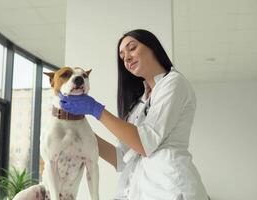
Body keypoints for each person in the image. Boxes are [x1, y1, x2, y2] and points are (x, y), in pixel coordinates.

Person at [59, 29, 209, 200]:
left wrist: (95, 109)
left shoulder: (173, 83)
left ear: (152, 47)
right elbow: (122, 158)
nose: (127, 58)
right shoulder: (139, 103)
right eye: (122, 56)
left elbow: (144, 144)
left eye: (132, 48)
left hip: (170, 188)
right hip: (139, 191)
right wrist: (82, 132)